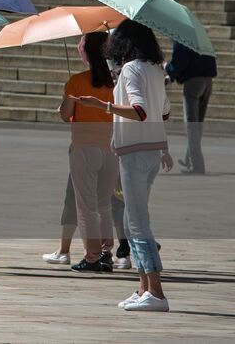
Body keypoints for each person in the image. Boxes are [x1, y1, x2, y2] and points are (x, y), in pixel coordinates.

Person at [73, 20, 174, 312]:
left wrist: (101, 105)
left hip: (135, 151)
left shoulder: (132, 69)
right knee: (133, 219)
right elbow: (163, 113)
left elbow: (140, 111)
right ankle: (143, 287)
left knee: (137, 223)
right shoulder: (156, 69)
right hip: (151, 150)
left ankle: (155, 291)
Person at [59, 31, 118, 273]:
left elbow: (65, 115)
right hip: (110, 148)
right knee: (104, 205)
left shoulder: (77, 81)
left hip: (84, 149)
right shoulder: (115, 82)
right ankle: (106, 253)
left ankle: (92, 256)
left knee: (86, 206)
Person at [167, 41, 217, 175]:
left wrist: (168, 69)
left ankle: (197, 164)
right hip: (208, 81)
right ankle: (189, 158)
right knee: (197, 124)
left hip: (193, 83)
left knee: (192, 125)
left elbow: (179, 62)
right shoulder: (201, 39)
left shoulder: (181, 39)